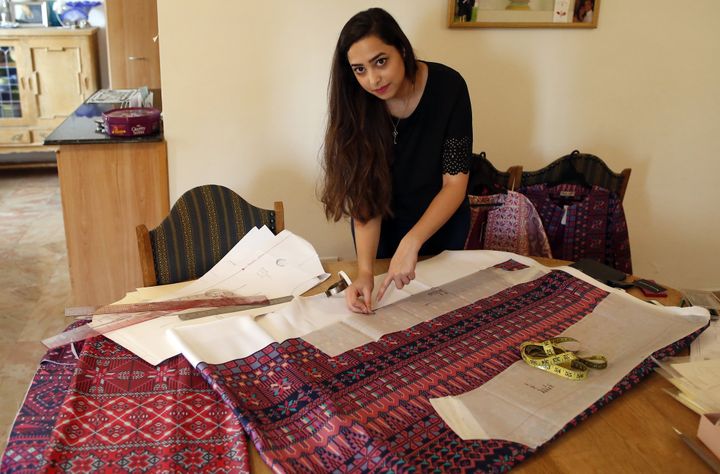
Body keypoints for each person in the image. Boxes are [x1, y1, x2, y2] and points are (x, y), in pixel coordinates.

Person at [320, 8, 473, 314]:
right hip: (383, 231)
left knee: (444, 318)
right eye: (360, 69)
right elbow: (366, 195)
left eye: (381, 61)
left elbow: (455, 183)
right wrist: (364, 271)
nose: (373, 79)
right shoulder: (356, 105)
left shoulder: (449, 87)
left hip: (441, 225)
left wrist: (412, 241)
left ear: (401, 49)